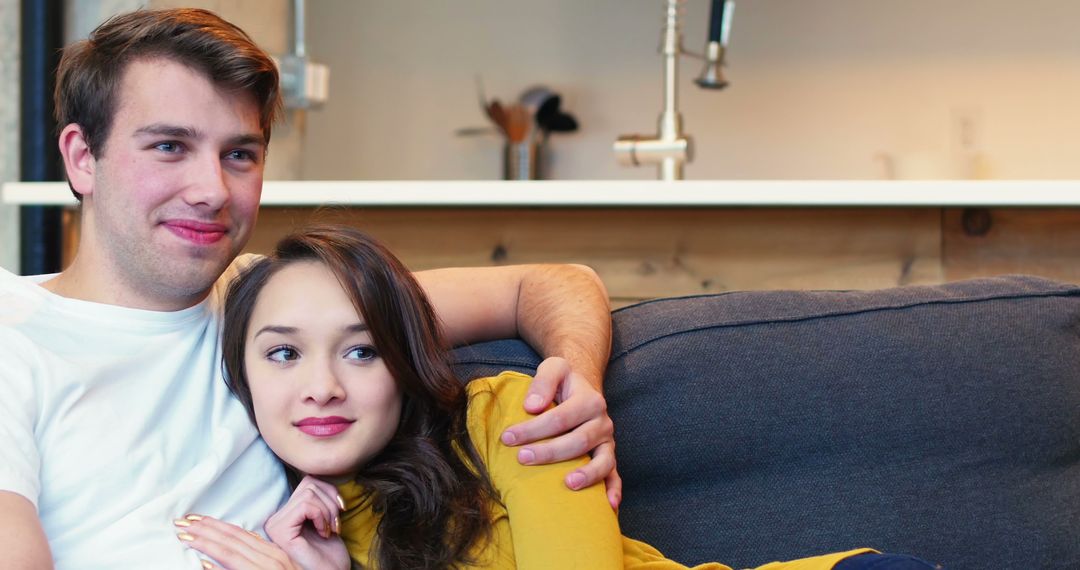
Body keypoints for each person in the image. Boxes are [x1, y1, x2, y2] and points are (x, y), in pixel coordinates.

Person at [0, 8, 618, 569]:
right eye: (169, 146)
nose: (212, 190)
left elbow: (554, 283)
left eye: (239, 154)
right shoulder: (13, 336)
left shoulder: (274, 306)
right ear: (82, 157)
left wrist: (579, 392)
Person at [173, 224, 934, 570]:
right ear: (241, 378)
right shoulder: (306, 534)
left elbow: (555, 279)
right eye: (282, 353)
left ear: (405, 362)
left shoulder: (509, 418)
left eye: (363, 349)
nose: (321, 388)